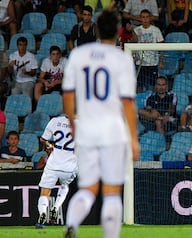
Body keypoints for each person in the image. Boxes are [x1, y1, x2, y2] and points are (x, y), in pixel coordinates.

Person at [62, 9, 140, 238]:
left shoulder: (78, 55)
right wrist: (133, 138)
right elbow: (127, 102)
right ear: (117, 31)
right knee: (112, 192)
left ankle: (72, 225)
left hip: (86, 129)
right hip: (113, 131)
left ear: (96, 29)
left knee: (87, 189)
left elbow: (67, 95)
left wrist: (73, 123)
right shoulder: (121, 58)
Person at [36, 115, 77, 227]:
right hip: (70, 166)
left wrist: (50, 145)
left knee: (45, 191)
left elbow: (43, 139)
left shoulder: (55, 121)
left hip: (53, 164)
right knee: (65, 186)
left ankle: (43, 214)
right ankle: (55, 208)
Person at [131, 9, 164, 92]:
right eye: (143, 17)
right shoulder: (136, 30)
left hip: (152, 63)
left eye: (147, 17)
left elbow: (162, 47)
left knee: (153, 85)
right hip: (140, 63)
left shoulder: (156, 30)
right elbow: (133, 45)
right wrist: (134, 56)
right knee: (138, 86)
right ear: (140, 18)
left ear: (150, 18)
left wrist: (161, 61)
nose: (145, 19)